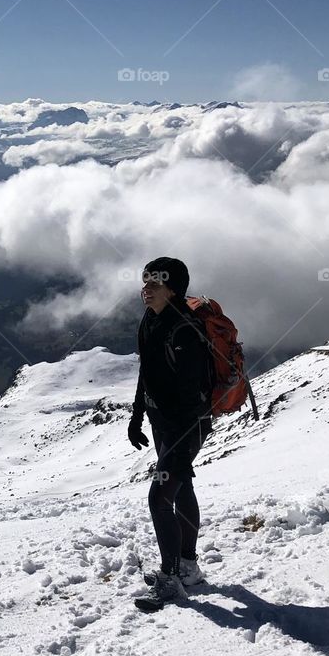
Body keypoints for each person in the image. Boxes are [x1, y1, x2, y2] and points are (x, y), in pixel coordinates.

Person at [128, 256, 214, 611]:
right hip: (161, 421)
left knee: (159, 498)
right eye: (144, 282)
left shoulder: (184, 330)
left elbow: (197, 396)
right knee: (183, 488)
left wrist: (178, 442)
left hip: (186, 426)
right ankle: (188, 568)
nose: (145, 290)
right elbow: (147, 371)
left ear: (173, 289)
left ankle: (170, 578)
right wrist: (137, 415)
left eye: (154, 285)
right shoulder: (152, 320)